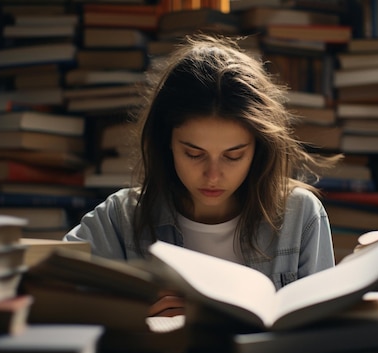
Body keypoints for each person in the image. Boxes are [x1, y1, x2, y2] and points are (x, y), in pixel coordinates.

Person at [64, 34, 342, 317]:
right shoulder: (120, 219)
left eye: (233, 156)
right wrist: (129, 315)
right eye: (194, 154)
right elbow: (48, 293)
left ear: (258, 149)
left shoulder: (300, 216)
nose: (213, 176)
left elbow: (320, 333)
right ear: (167, 143)